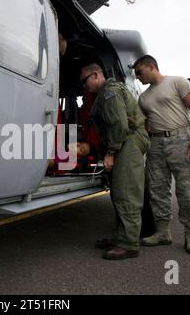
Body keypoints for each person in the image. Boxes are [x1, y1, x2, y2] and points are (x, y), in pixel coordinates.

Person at [133, 55, 190, 255]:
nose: (137, 77)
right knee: (157, 190)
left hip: (181, 140)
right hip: (155, 144)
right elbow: (144, 123)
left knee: (187, 190)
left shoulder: (177, 81)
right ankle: (163, 233)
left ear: (151, 66)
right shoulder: (143, 98)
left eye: (139, 72)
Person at [79, 63, 150, 260]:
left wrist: (110, 153)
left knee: (126, 193)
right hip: (124, 143)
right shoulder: (104, 94)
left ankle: (129, 244)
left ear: (95, 75)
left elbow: (119, 125)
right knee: (119, 192)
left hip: (128, 142)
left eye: (85, 81)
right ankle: (121, 237)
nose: (84, 86)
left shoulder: (110, 92)